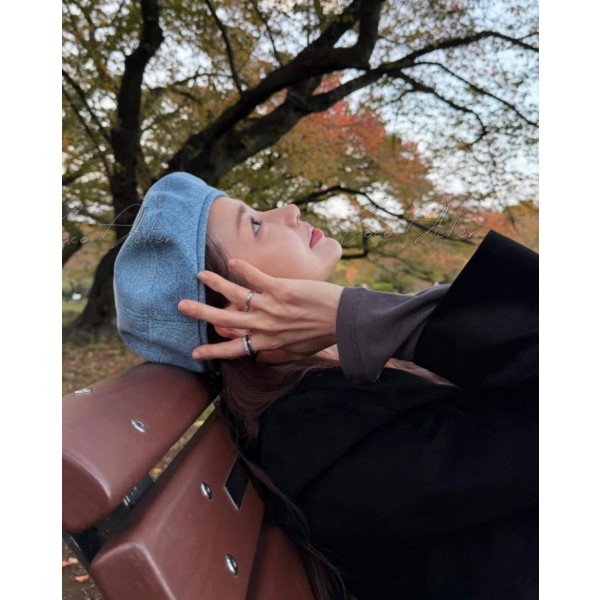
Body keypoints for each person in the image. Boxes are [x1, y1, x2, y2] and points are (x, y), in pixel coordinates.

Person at [114, 172, 538, 600]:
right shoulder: (320, 437)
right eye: (255, 224)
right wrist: (358, 316)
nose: (289, 210)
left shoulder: (332, 404)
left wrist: (364, 320)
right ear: (233, 317)